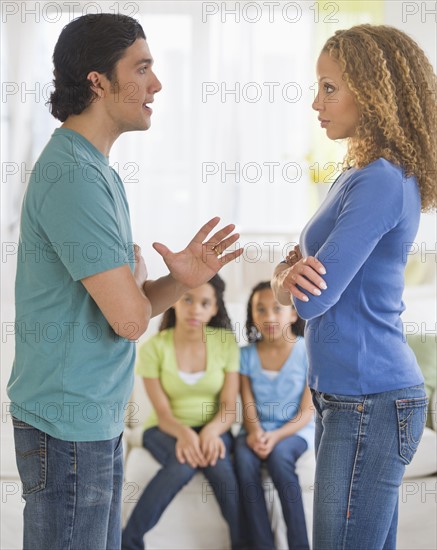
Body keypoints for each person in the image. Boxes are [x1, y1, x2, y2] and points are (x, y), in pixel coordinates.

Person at [7, 13, 242, 550]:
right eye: (142, 68)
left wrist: (179, 281)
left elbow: (126, 309)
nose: (155, 84)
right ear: (97, 81)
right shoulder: (73, 177)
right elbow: (131, 318)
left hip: (91, 419)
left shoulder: (99, 171)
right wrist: (138, 286)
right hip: (68, 425)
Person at [271, 24, 436, 550]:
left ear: (372, 91)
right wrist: (284, 278)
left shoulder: (382, 179)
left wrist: (284, 282)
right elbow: (299, 280)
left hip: (371, 399)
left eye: (329, 87)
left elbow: (312, 294)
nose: (315, 101)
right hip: (348, 397)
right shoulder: (356, 174)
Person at [121, 275, 243, 549]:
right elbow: (162, 412)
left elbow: (229, 407)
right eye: (187, 299)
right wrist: (185, 434)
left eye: (204, 303)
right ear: (176, 301)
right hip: (165, 429)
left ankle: (243, 544)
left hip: (215, 427)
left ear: (214, 308)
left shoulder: (225, 342)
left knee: (221, 468)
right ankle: (128, 542)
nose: (195, 309)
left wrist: (210, 432)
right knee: (183, 464)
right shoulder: (154, 347)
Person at [234, 282, 314, 550]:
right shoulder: (245, 355)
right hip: (255, 430)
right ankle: (262, 544)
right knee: (244, 461)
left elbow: (306, 412)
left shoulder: (308, 352)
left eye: (277, 309)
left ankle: (299, 545)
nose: (268, 317)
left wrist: (276, 435)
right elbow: (247, 404)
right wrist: (256, 433)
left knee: (280, 459)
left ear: (293, 314)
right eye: (260, 309)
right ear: (252, 315)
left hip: (294, 431)